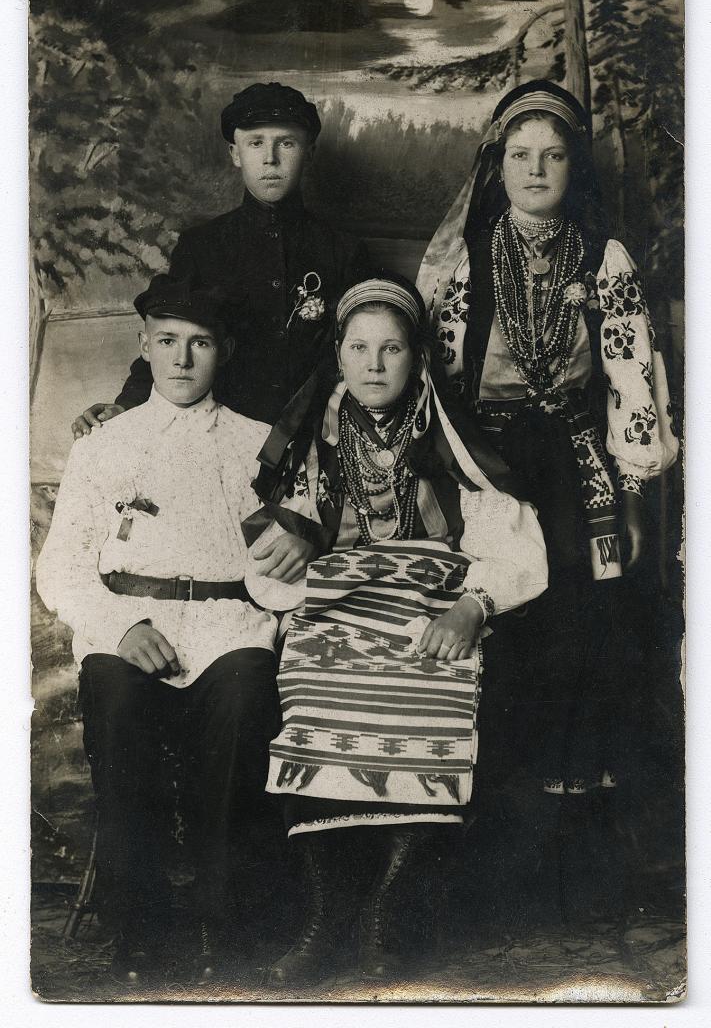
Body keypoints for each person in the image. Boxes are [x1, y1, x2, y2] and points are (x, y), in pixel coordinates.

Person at [416, 79, 679, 922]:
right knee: (502, 611)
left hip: (573, 456)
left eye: (552, 155)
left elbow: (631, 381)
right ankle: (496, 855)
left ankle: (593, 859)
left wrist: (634, 496)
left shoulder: (603, 261)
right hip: (484, 459)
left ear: (573, 167)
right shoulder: (462, 259)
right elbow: (436, 384)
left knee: (596, 601)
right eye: (520, 155)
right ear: (498, 164)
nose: (535, 169)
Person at [240, 274, 548, 984]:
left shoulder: (449, 436)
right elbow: (267, 569)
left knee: (433, 677)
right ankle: (327, 919)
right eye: (359, 347)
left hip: (432, 601)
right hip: (340, 604)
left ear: (416, 358)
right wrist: (294, 544)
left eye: (391, 349)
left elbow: (515, 546)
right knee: (310, 677)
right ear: (338, 356)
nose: (374, 364)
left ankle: (389, 912)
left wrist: (474, 606)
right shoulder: (309, 440)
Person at [36, 275, 282, 987]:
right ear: (144, 345)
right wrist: (121, 625)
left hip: (225, 624)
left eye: (199, 344)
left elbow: (274, 569)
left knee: (243, 693)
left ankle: (222, 916)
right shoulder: (103, 445)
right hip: (129, 626)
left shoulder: (256, 445)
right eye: (167, 342)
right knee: (115, 698)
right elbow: (62, 567)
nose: (181, 360)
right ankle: (140, 924)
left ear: (223, 352)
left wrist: (284, 567)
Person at [71, 81, 369, 432]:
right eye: (255, 143)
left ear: (309, 152)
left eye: (286, 143)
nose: (270, 158)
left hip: (317, 432)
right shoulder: (202, 246)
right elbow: (168, 336)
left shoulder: (343, 250)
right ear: (235, 153)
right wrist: (125, 406)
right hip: (218, 431)